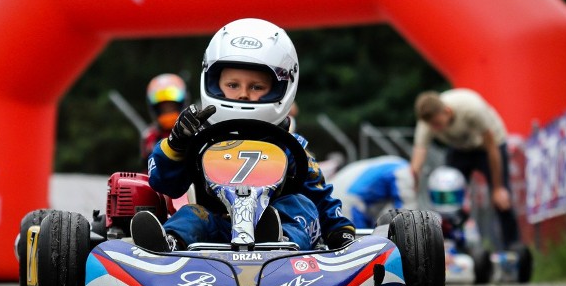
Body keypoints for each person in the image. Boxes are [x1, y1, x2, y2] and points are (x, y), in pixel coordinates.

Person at [131, 18, 356, 252]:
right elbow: (165, 184)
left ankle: (277, 241)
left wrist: (340, 231)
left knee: (300, 205)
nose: (243, 95)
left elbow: (320, 196)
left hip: (276, 222)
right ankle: (169, 242)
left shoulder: (292, 146)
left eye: (256, 87)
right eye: (233, 85)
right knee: (193, 213)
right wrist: (176, 145)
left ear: (281, 88)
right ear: (214, 82)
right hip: (218, 227)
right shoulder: (200, 140)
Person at [410, 88, 520, 248]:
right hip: (460, 149)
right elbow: (418, 157)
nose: (435, 129)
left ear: (447, 111)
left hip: (489, 146)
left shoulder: (471, 109)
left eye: (438, 124)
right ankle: (455, 247)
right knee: (449, 196)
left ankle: (513, 248)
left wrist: (497, 188)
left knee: (501, 199)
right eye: (431, 126)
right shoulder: (426, 122)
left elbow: (492, 147)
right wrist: (412, 185)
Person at [330, 156, 417, 229]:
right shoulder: (404, 171)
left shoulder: (392, 163)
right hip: (348, 201)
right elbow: (406, 214)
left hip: (335, 194)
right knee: (357, 244)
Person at [140, 74, 187, 167]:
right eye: (164, 109)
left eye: (171, 107)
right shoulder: (149, 137)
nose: (168, 112)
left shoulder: (193, 133)